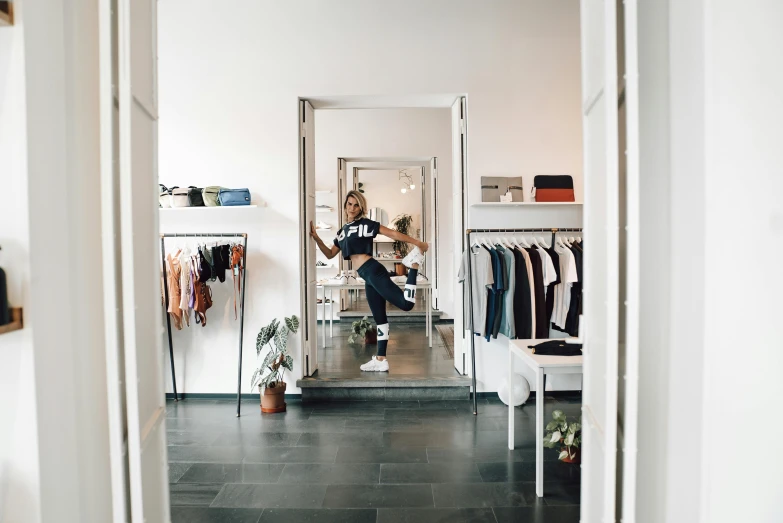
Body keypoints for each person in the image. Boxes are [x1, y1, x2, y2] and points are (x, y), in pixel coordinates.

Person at [309, 190, 428, 372]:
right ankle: (381, 359)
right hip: (366, 275)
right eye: (349, 204)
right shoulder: (342, 233)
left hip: (373, 270)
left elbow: (393, 234)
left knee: (407, 304)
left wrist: (417, 243)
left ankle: (414, 264)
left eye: (356, 205)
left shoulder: (366, 224)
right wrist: (317, 238)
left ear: (361, 207)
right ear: (345, 205)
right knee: (380, 318)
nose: (352, 208)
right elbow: (330, 253)